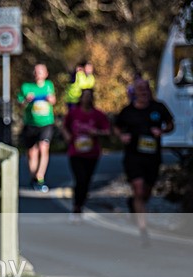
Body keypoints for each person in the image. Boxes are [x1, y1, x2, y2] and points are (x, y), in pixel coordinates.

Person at [113, 79, 174, 247]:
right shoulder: (128, 111)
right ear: (135, 92)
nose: (143, 92)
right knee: (138, 188)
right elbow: (117, 127)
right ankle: (143, 230)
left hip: (152, 157)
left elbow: (171, 124)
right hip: (133, 156)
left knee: (146, 192)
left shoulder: (158, 108)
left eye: (146, 89)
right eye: (140, 89)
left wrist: (161, 131)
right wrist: (122, 136)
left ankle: (134, 203)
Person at [61, 88, 111, 222]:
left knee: (86, 181)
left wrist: (96, 132)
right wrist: (68, 136)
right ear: (80, 98)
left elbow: (107, 131)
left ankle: (80, 205)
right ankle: (76, 208)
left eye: (89, 96)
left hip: (92, 153)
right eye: (85, 96)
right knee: (80, 179)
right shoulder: (74, 113)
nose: (87, 99)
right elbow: (64, 126)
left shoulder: (98, 114)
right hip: (75, 152)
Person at [18, 63, 56, 192]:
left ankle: (40, 176)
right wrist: (27, 100)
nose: (37, 74)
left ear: (46, 74)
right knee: (32, 152)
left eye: (40, 71)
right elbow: (20, 104)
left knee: (43, 147)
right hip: (30, 123)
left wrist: (50, 99)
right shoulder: (27, 87)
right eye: (35, 71)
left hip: (46, 123)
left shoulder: (49, 86)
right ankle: (34, 177)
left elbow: (53, 100)